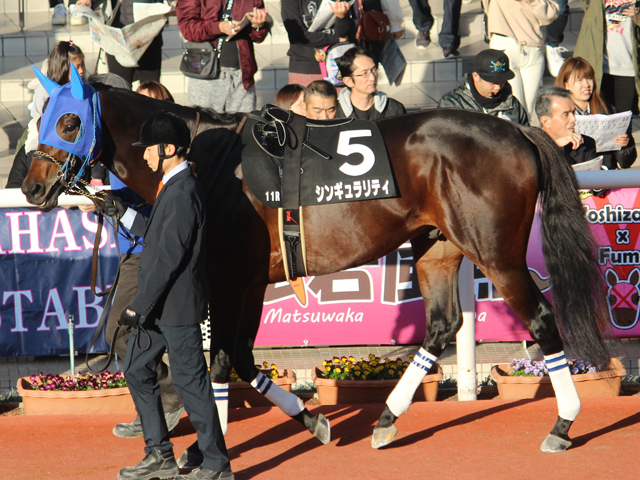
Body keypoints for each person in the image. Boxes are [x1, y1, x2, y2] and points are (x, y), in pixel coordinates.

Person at [105, 111, 233, 480]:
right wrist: (122, 213)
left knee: (191, 385)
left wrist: (137, 306)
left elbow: (168, 257)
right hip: (161, 306)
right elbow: (155, 232)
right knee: (135, 368)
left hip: (176, 308)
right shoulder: (172, 187)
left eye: (149, 148)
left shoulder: (182, 191)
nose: (144, 155)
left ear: (170, 149)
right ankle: (159, 454)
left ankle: (217, 464)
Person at [109, 81, 186, 441]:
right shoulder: (129, 154)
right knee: (131, 335)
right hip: (132, 253)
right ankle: (157, 407)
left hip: (147, 255)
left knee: (121, 332)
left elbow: (157, 223)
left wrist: (121, 210)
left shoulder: (165, 166)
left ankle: (168, 398)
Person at [177, 0, 270, 113]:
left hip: (241, 75)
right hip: (205, 74)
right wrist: (218, 27)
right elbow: (187, 27)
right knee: (205, 122)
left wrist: (258, 25)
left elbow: (258, 37)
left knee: (243, 123)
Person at [555, 57, 636, 169]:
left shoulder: (609, 111)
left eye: (589, 78)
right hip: (571, 172)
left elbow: (627, 162)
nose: (586, 84)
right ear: (566, 85)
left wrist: (624, 146)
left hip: (605, 173)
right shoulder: (556, 115)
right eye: (579, 80)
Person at [483, 0, 559, 117]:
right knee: (514, 111)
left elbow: (550, 14)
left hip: (530, 48)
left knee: (525, 112)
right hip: (507, 45)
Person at [573, 0, 640, 114]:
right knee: (599, 117)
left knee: (624, 120)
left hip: (628, 67)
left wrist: (638, 15)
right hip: (598, 67)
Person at [438, 49, 529, 125]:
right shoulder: (451, 105)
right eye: (493, 82)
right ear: (476, 77)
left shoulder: (512, 104)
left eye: (502, 81)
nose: (497, 87)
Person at [281, 0, 354, 86]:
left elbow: (343, 34)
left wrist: (341, 17)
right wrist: (336, 39)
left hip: (335, 64)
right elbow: (298, 35)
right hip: (305, 66)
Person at [335, 46, 405, 119]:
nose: (372, 78)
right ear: (349, 81)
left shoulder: (395, 109)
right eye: (364, 73)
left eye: (374, 70)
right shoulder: (336, 113)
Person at [535, 85, 598, 165]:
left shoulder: (585, 144)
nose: (573, 119)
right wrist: (556, 146)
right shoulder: (531, 147)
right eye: (566, 114)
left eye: (573, 113)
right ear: (546, 121)